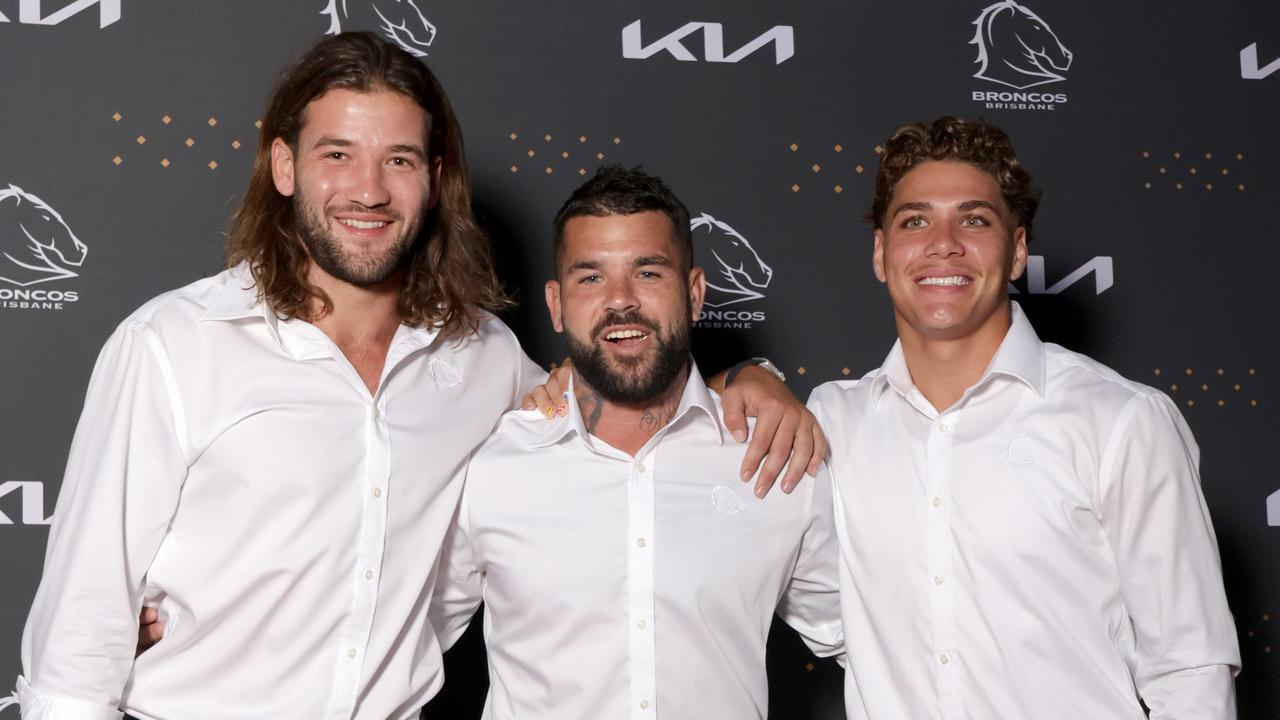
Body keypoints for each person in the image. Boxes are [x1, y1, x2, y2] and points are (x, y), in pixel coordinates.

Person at [18, 33, 820, 720]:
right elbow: (79, 629)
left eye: (398, 159)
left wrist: (748, 373)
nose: (369, 190)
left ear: (433, 179)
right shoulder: (173, 344)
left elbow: (623, 376)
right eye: (338, 155)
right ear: (285, 166)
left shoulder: (484, 360)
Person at [808, 116, 1241, 719]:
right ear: (881, 254)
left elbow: (1189, 665)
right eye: (915, 220)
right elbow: (826, 611)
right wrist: (747, 371)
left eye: (975, 219)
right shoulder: (831, 422)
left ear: (1017, 252)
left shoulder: (1121, 419)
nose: (944, 243)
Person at [429, 165, 843, 719]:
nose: (620, 300)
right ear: (555, 304)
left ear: (695, 293)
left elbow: (878, 645)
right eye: (591, 277)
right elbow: (394, 648)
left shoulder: (776, 458)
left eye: (648, 272)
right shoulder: (492, 465)